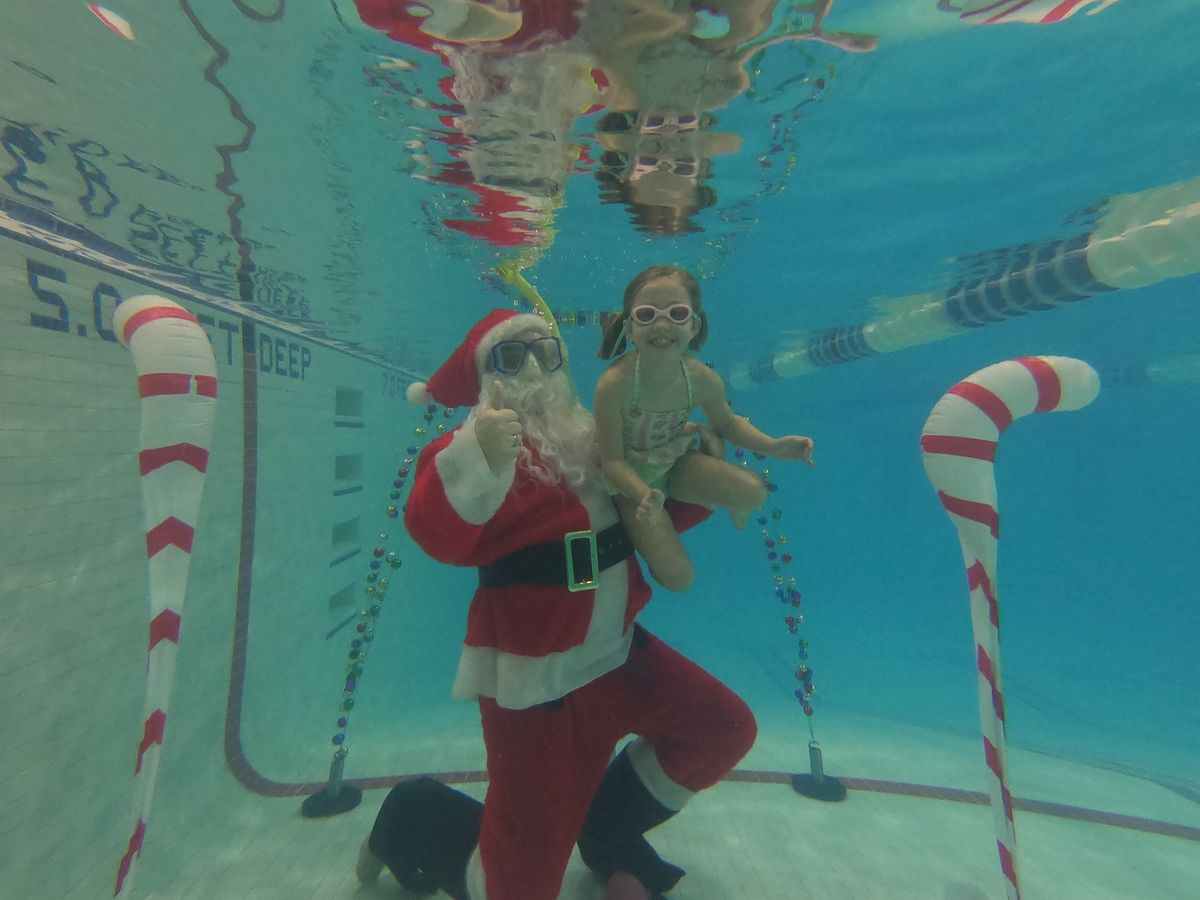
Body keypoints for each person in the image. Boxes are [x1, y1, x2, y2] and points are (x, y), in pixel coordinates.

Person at [356, 308, 757, 900]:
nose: (534, 369)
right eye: (511, 358)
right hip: (538, 689)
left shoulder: (599, 436)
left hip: (621, 658)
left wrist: (711, 480)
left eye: (545, 352)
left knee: (721, 729)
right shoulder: (462, 452)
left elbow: (654, 509)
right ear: (487, 377)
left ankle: (603, 828)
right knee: (515, 889)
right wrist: (480, 454)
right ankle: (413, 816)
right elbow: (437, 534)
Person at [595, 265, 814, 593]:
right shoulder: (615, 385)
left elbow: (726, 422)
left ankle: (714, 491)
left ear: (694, 324)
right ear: (629, 327)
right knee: (679, 579)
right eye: (646, 314)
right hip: (630, 481)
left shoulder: (700, 378)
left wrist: (774, 447)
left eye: (677, 313)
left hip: (675, 461)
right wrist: (644, 496)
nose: (662, 324)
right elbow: (611, 461)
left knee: (754, 492)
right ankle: (652, 538)